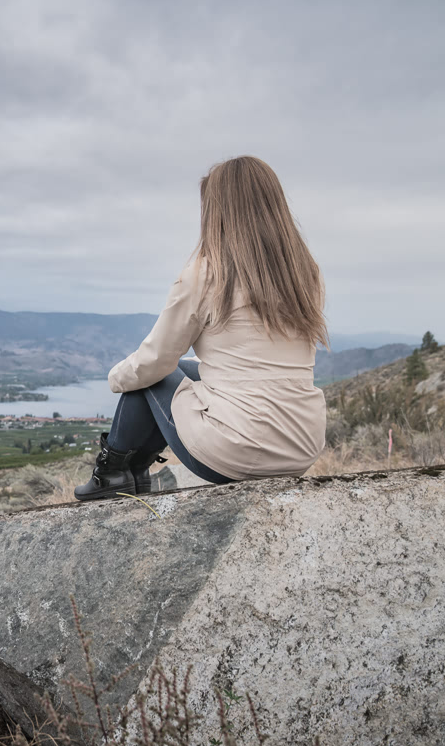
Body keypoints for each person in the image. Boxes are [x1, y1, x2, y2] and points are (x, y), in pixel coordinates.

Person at [74, 156, 328, 501]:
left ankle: (113, 473)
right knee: (179, 369)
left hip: (234, 455)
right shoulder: (305, 274)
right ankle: (131, 472)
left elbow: (155, 361)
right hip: (301, 447)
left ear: (219, 212)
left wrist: (115, 379)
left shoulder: (206, 273)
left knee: (149, 374)